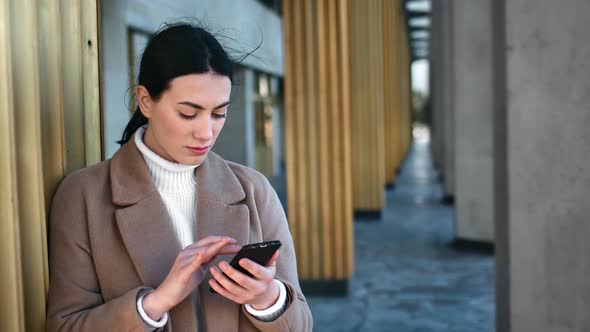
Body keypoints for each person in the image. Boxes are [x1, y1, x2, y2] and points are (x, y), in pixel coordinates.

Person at [46, 23, 313, 331]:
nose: (206, 132)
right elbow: (65, 326)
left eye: (218, 114)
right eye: (188, 113)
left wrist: (268, 299)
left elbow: (302, 323)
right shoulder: (83, 196)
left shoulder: (254, 189)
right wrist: (154, 304)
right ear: (145, 101)